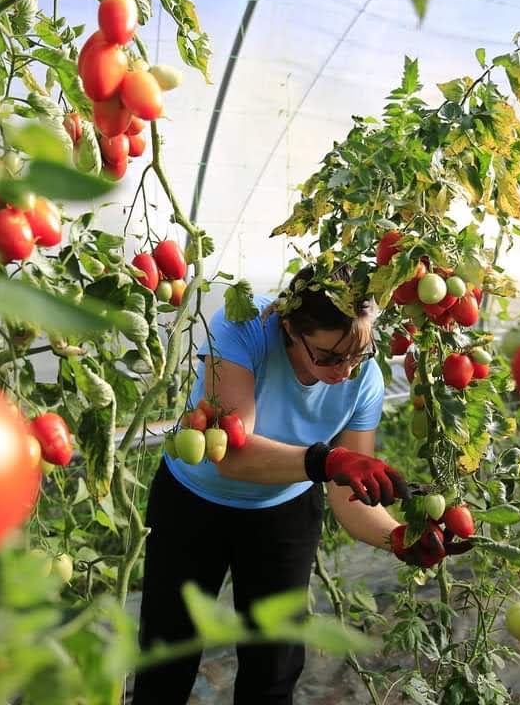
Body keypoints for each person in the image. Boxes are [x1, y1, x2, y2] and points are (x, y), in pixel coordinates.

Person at [131, 265, 464, 705]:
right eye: (327, 356)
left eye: (356, 355)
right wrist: (326, 460)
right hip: (193, 504)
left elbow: (349, 493)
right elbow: (228, 454)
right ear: (289, 328)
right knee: (167, 654)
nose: (344, 371)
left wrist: (396, 537)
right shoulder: (243, 327)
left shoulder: (364, 379)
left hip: (282, 511)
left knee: (274, 665)